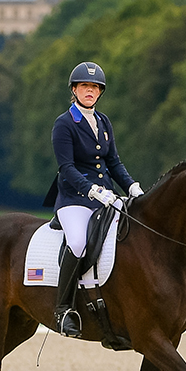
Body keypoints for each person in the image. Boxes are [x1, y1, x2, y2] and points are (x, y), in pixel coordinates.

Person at [45, 61, 143, 337]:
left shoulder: (103, 121)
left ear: (100, 92)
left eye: (95, 87)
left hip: (106, 197)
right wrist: (92, 190)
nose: (90, 91)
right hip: (74, 199)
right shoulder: (64, 124)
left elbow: (113, 161)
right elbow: (67, 167)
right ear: (74, 90)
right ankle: (62, 309)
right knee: (77, 242)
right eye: (85, 86)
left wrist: (132, 186)